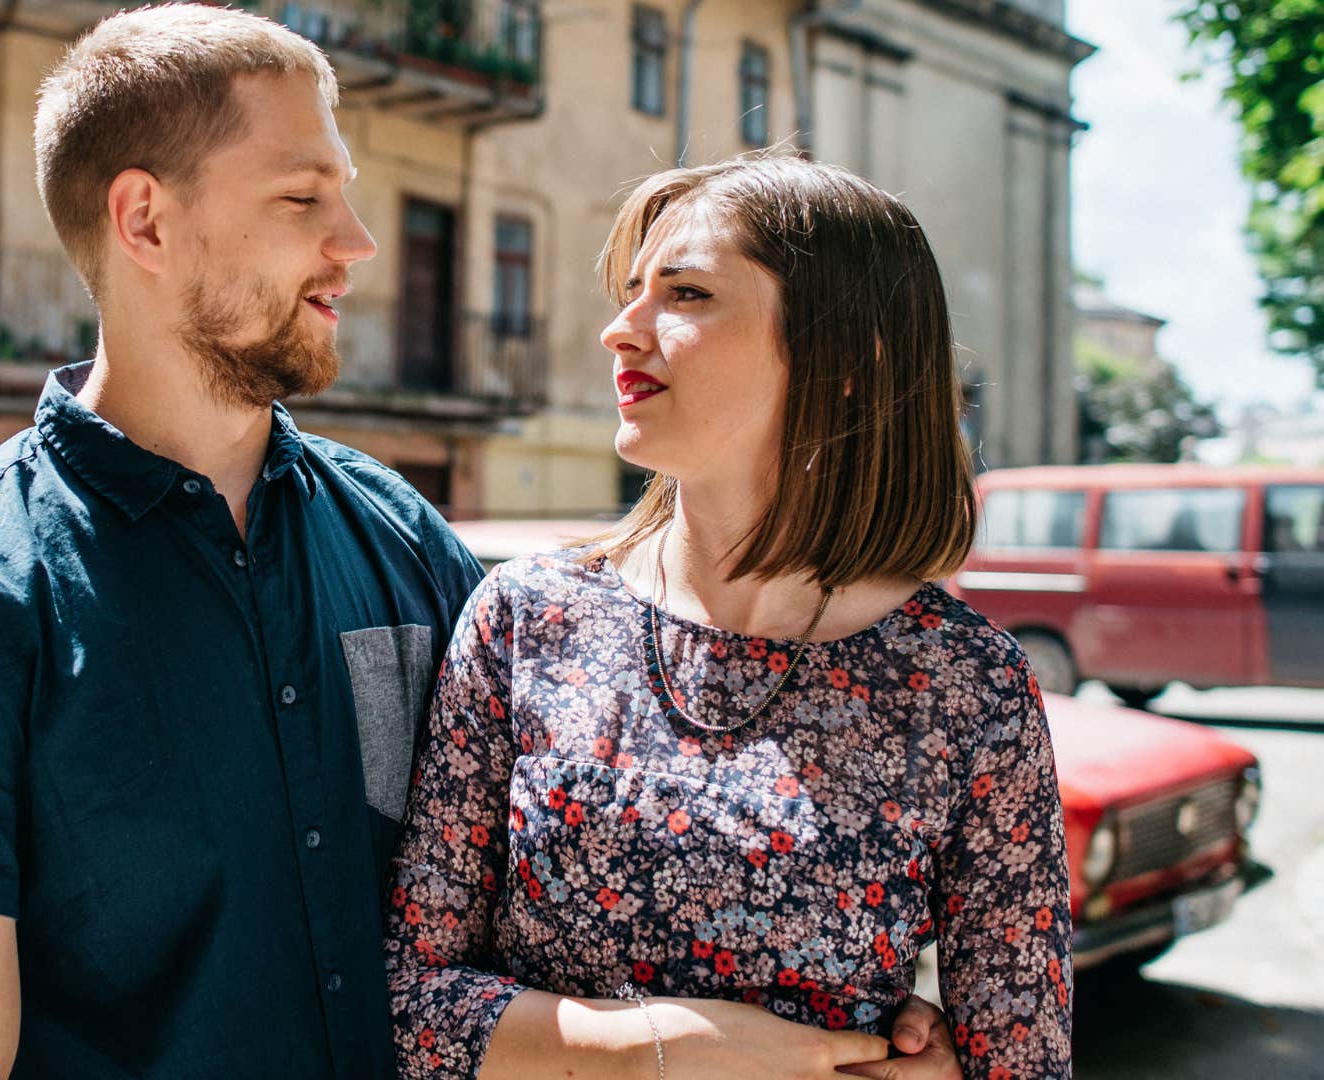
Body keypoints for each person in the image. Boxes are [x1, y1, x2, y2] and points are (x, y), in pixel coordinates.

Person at [0, 5, 964, 1076]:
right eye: (302, 198)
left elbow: (569, 881)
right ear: (145, 220)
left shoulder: (403, 536)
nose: (357, 243)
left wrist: (833, 999)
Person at [385, 153, 1073, 1080]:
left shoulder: (968, 685)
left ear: (845, 358)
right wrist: (641, 1053)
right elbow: (406, 995)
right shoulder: (528, 617)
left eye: (687, 294)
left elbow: (1025, 1059)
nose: (620, 332)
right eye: (632, 292)